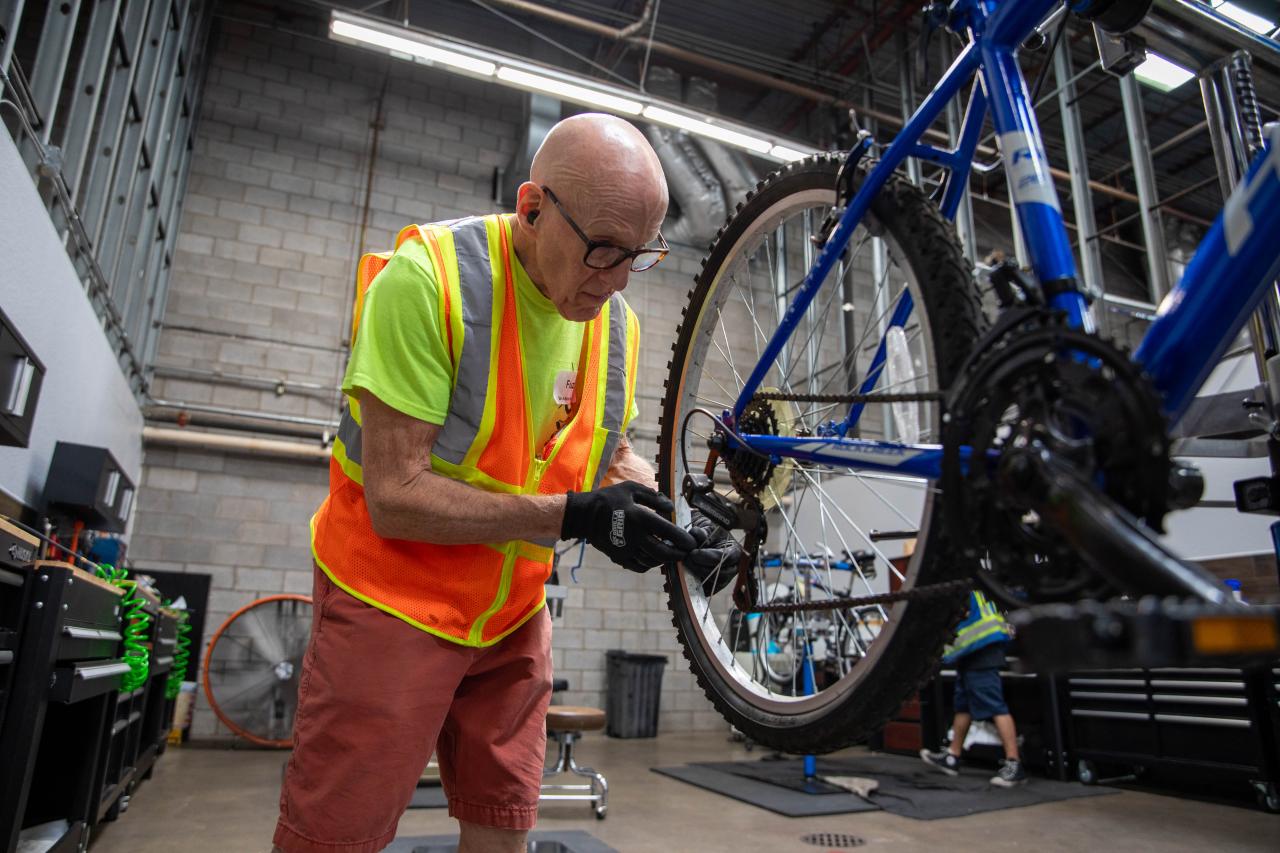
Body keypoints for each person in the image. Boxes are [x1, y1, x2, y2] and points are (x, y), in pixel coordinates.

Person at [272, 114, 739, 853]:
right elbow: (396, 494)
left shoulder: (612, 324)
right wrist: (576, 516)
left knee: (502, 825)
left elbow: (610, 452)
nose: (617, 280)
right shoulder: (429, 280)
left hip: (512, 614)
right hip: (391, 603)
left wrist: (672, 523)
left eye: (640, 254)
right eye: (603, 250)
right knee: (336, 835)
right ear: (532, 208)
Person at [920, 589, 1027, 787]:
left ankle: (1014, 764)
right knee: (964, 705)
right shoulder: (970, 584)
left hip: (982, 650)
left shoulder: (960, 586)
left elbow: (960, 613)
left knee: (995, 705)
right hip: (971, 652)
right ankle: (953, 756)